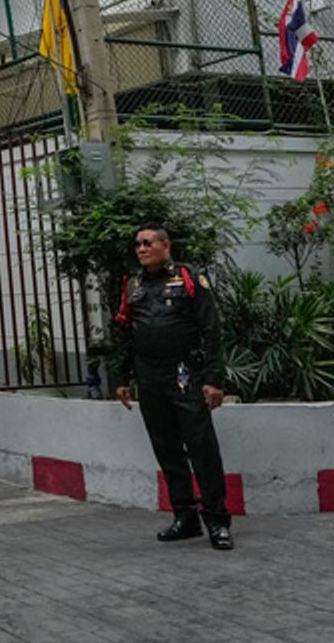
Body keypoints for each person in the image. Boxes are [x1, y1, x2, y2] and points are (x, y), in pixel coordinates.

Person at [112, 223, 233, 551]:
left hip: (184, 373)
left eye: (147, 243)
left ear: (166, 245)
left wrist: (213, 380)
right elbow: (126, 332)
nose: (141, 249)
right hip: (149, 375)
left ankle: (218, 522)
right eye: (137, 244)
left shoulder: (190, 279)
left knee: (201, 448)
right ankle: (185, 517)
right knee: (166, 448)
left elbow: (212, 330)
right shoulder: (133, 284)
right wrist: (122, 378)